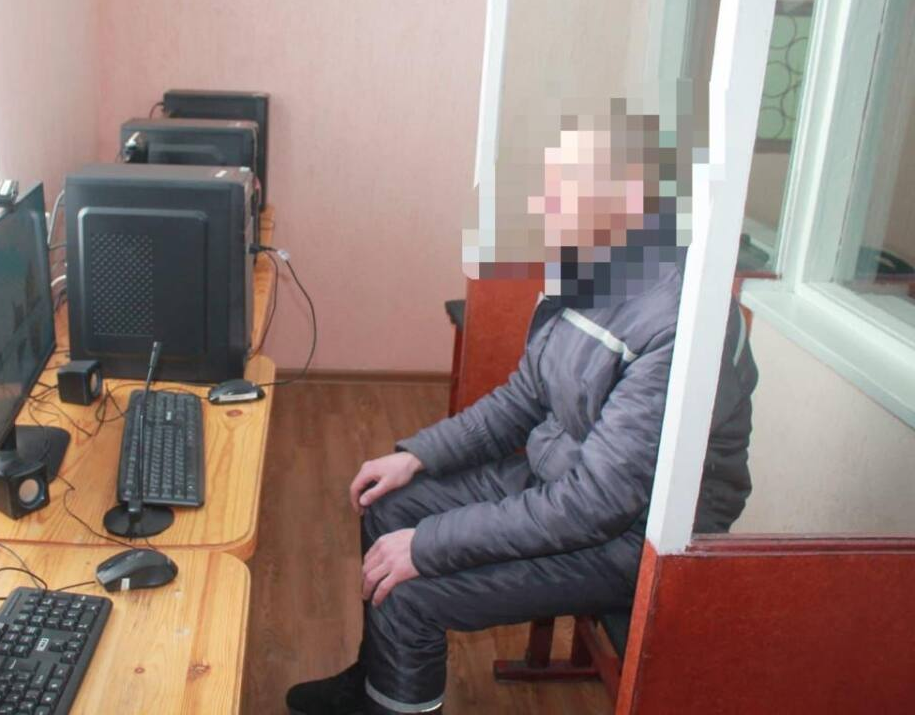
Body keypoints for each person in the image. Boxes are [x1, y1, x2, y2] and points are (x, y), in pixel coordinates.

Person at [285, 102, 759, 715]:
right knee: (391, 504)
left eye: (564, 190)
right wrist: (417, 457)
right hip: (564, 479)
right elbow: (524, 397)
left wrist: (428, 547)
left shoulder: (680, 323)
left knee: (409, 594)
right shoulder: (591, 263)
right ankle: (376, 678)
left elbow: (595, 505)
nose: (542, 205)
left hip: (636, 536)